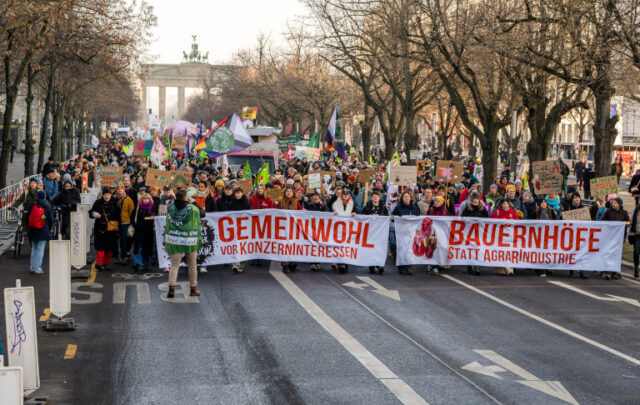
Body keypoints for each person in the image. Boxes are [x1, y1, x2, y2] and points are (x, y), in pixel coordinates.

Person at [165, 189, 205, 298]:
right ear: (186, 198)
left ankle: (171, 289)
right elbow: (203, 213)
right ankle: (193, 288)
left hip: (175, 239)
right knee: (192, 264)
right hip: (189, 240)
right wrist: (193, 202)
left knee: (174, 265)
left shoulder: (170, 208)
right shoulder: (192, 208)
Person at [90, 187, 120, 270]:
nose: (106, 196)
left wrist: (118, 229)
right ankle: (99, 262)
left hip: (112, 229)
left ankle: (106, 263)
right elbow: (91, 212)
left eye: (108, 194)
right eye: (105, 194)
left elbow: (119, 215)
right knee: (100, 246)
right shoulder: (98, 202)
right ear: (102, 195)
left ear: (111, 194)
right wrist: (95, 214)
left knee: (109, 247)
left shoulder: (115, 202)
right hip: (100, 228)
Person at [599, 196, 630, 280]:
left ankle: (615, 272)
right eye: (613, 203)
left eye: (615, 203)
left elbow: (628, 222)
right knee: (609, 253)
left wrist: (623, 224)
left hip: (620, 236)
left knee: (616, 254)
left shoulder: (624, 213)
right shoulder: (608, 212)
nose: (613, 204)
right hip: (609, 236)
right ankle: (607, 272)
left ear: (619, 204)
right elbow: (602, 221)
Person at [391, 191, 420, 275]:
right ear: (402, 198)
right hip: (401, 232)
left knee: (410, 249)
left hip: (411, 232)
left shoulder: (414, 208)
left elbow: (418, 218)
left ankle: (409, 266)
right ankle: (401, 266)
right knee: (402, 249)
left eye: (408, 196)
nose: (406, 198)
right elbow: (393, 217)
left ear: (410, 198)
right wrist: (398, 218)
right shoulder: (398, 207)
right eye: (405, 196)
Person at [460, 191, 488, 275]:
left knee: (478, 249)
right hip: (469, 232)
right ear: (471, 200)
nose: (476, 201)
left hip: (479, 232)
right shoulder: (467, 208)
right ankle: (470, 265)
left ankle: (477, 266)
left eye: (477, 199)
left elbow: (487, 219)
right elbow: (463, 218)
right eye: (474, 199)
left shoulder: (482, 208)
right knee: (469, 249)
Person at [361, 190, 389, 274]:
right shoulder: (366, 208)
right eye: (374, 196)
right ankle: (371, 265)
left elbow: (386, 219)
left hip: (380, 232)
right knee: (370, 249)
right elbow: (362, 218)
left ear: (379, 198)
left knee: (379, 248)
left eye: (377, 196)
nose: (375, 198)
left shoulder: (383, 208)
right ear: (371, 198)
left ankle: (380, 265)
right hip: (370, 232)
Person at [26, 190, 53, 274]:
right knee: (40, 249)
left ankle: (32, 267)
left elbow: (28, 215)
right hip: (43, 229)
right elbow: (50, 219)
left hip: (33, 229)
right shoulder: (47, 205)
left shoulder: (32, 204)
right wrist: (50, 228)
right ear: (45, 196)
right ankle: (37, 268)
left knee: (34, 248)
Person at [491, 199, 519, 276]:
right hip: (499, 236)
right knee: (499, 252)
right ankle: (499, 270)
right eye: (504, 204)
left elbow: (518, 221)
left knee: (508, 252)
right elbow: (492, 223)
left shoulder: (512, 212)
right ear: (501, 205)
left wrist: (513, 220)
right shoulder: (497, 213)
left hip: (509, 236)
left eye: (507, 204)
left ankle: (509, 270)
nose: (505, 206)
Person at [278, 186, 302, 273]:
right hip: (283, 228)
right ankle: (285, 264)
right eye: (287, 191)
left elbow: (301, 215)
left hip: (293, 228)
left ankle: (292, 262)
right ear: (285, 193)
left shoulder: (297, 203)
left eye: (290, 192)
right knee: (284, 245)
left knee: (293, 245)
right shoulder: (281, 203)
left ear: (293, 193)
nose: (288, 193)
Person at [131, 194, 155, 272]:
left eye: (147, 199)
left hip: (149, 232)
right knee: (139, 248)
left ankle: (146, 264)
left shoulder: (152, 209)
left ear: (150, 199)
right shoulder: (137, 208)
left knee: (147, 249)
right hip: (139, 231)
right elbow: (132, 219)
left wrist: (153, 219)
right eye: (144, 199)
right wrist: (137, 226)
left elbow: (156, 219)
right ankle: (137, 263)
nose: (145, 200)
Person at [114, 185, 135, 264]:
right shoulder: (115, 200)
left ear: (124, 190)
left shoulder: (129, 200)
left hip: (125, 222)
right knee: (116, 241)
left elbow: (132, 212)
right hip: (117, 223)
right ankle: (118, 255)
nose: (119, 190)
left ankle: (124, 256)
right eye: (118, 188)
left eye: (121, 189)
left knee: (124, 240)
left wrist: (131, 223)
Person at [629, 201, 640, 278]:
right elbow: (632, 223)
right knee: (636, 252)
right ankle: (636, 267)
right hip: (637, 235)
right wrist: (630, 235)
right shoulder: (636, 211)